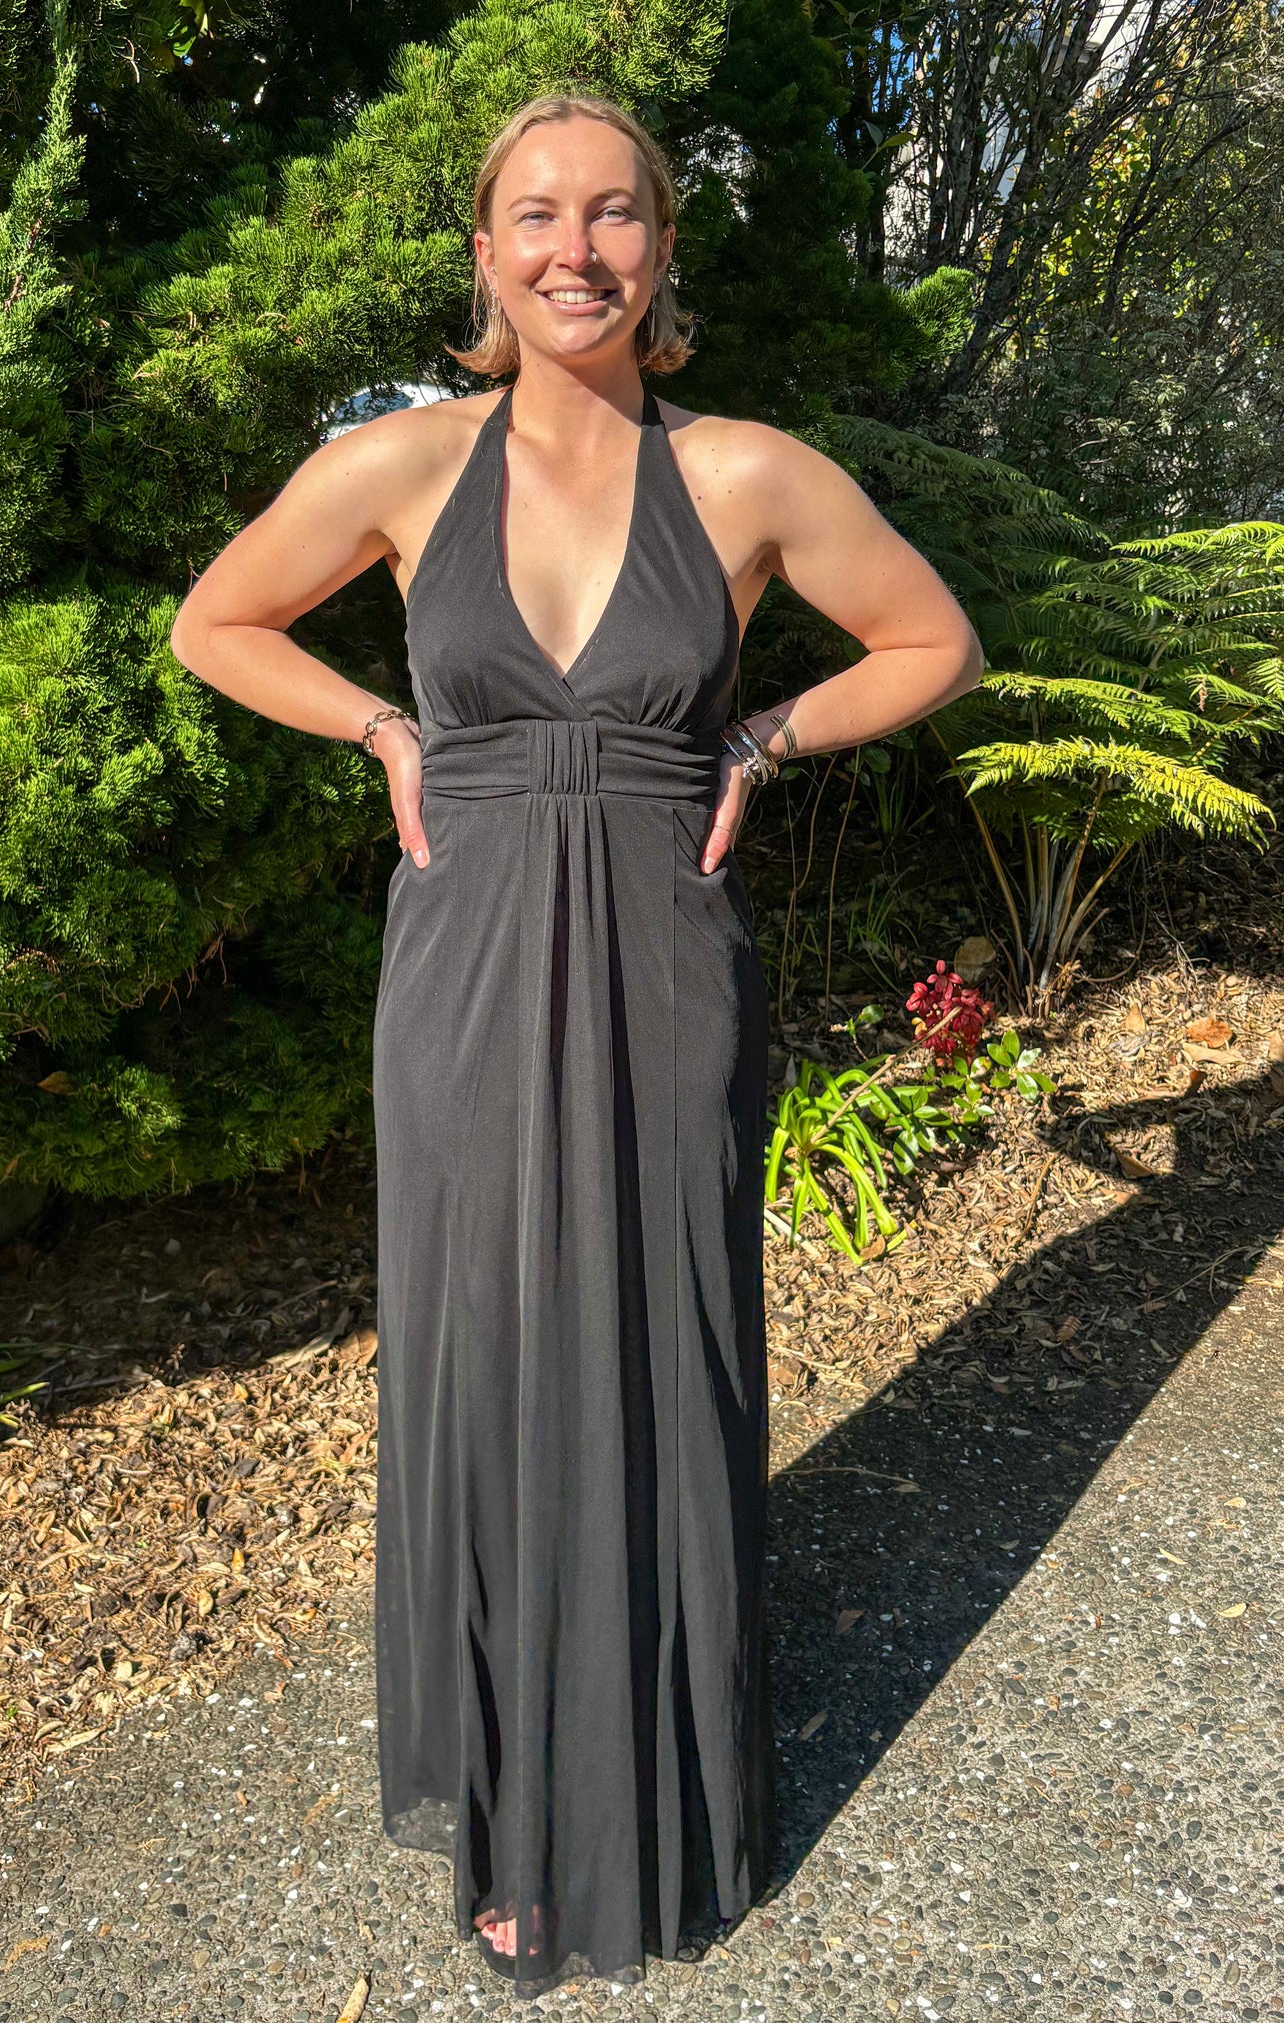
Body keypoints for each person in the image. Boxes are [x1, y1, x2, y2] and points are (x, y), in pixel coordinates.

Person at [169, 90, 983, 1997]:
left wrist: (762, 740)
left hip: (663, 960)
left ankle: (656, 1802)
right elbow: (218, 620)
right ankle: (514, 1803)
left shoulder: (747, 474)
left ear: (661, 249)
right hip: (461, 961)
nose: (575, 249)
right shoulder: (399, 463)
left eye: (614, 214)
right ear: (484, 252)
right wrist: (383, 730)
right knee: (485, 1355)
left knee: (656, 1342)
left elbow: (928, 640)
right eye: (536, 214)